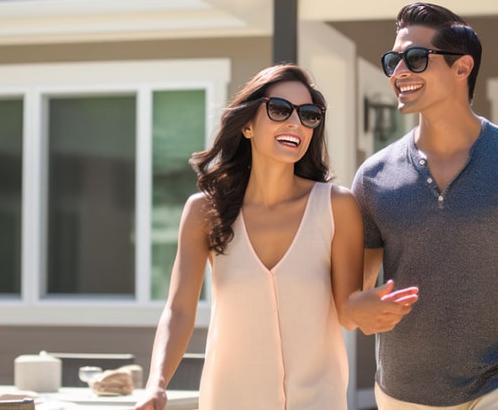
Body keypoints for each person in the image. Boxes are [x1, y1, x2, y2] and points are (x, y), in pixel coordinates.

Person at [134, 63, 417, 410]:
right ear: (248, 125)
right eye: (280, 110)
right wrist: (156, 384)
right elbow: (179, 310)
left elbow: (346, 309)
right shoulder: (203, 212)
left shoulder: (336, 206)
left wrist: (369, 307)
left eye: (309, 115)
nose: (296, 124)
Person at [352, 2, 498, 409]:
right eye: (393, 61)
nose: (399, 73)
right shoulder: (373, 177)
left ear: (462, 68)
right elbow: (354, 293)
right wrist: (360, 308)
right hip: (403, 394)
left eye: (415, 59)